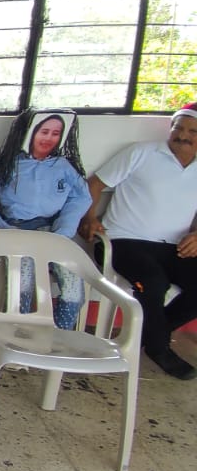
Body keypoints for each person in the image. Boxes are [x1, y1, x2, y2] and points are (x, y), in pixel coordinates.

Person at [79, 102, 197, 380]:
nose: (182, 135)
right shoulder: (142, 152)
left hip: (173, 247)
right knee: (154, 282)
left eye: (192, 131)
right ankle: (158, 348)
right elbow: (94, 184)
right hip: (122, 240)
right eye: (178, 128)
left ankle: (147, 335)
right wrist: (89, 218)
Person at [0, 110, 91, 329]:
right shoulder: (5, 165)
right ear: (28, 132)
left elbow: (81, 197)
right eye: (44, 132)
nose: (49, 138)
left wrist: (64, 229)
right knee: (22, 285)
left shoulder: (64, 167)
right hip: (18, 232)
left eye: (56, 133)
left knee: (74, 287)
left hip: (55, 232)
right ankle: (20, 334)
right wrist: (3, 229)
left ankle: (59, 334)